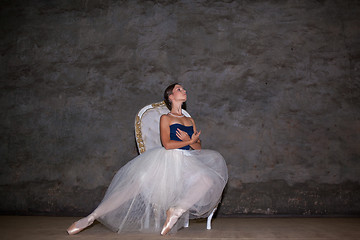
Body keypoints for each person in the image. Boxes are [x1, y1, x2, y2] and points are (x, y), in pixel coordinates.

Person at [66, 83, 228, 236]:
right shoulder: (166, 118)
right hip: (168, 159)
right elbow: (167, 144)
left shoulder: (189, 120)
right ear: (171, 97)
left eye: (184, 89)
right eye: (179, 89)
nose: (184, 90)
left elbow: (197, 147)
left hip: (187, 161)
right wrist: (188, 140)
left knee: (207, 179)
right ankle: (92, 217)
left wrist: (192, 141)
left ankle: (176, 210)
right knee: (134, 185)